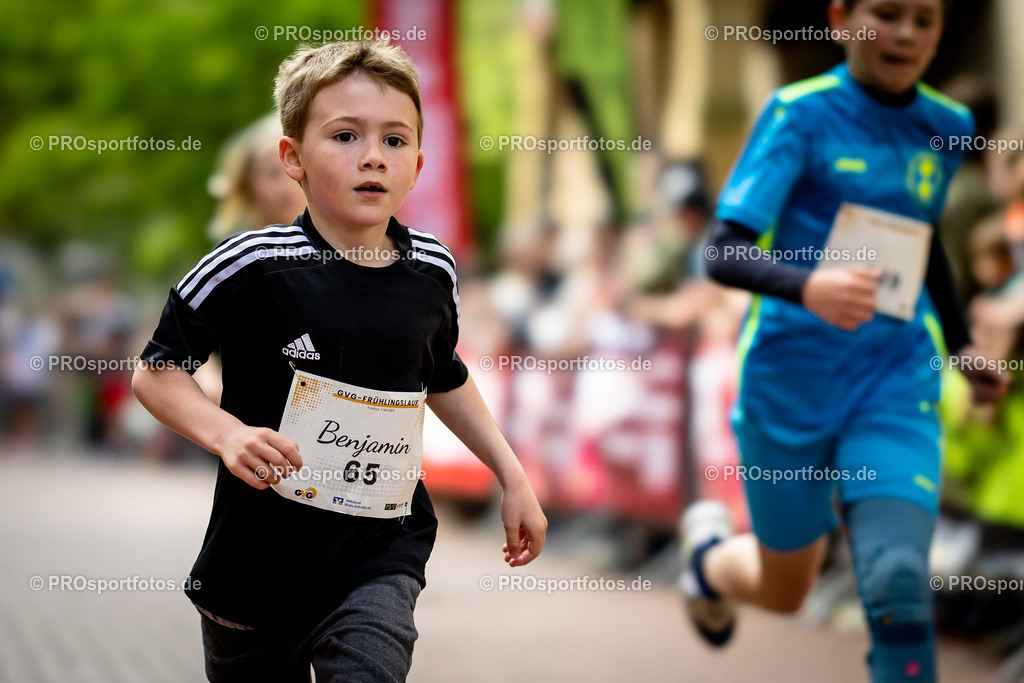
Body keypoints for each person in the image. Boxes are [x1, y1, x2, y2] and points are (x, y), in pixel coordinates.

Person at [132, 39, 546, 682]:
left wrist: (511, 474)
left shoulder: (432, 269)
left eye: (395, 140)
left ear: (418, 164)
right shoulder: (248, 265)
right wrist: (229, 435)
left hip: (379, 551)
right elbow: (157, 371)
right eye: (346, 136)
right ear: (292, 158)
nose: (373, 157)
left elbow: (443, 375)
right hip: (257, 563)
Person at [678, 1, 1009, 681]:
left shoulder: (949, 126)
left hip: (893, 375)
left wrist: (962, 343)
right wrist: (810, 285)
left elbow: (928, 243)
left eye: (925, 19)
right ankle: (708, 560)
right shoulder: (798, 113)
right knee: (787, 587)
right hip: (789, 379)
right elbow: (722, 252)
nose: (906, 35)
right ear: (839, 18)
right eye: (886, 14)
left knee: (896, 578)